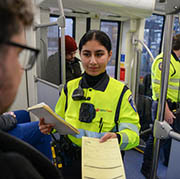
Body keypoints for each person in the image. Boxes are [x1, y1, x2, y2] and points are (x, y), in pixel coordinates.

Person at [39, 30, 140, 179]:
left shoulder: (121, 93)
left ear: (109, 55)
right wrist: (50, 127)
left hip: (103, 163)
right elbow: (59, 120)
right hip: (70, 160)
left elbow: (133, 135)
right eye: (86, 54)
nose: (92, 61)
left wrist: (118, 138)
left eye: (99, 54)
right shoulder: (69, 88)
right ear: (80, 54)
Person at [0, 0, 62, 178]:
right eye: (19, 55)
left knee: (23, 114)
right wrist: (8, 120)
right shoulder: (14, 170)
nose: (21, 69)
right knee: (41, 129)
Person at [141, 34, 180, 179]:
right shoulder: (165, 61)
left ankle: (169, 162)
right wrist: (166, 111)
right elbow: (158, 89)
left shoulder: (177, 61)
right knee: (157, 137)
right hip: (164, 105)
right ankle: (147, 169)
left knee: (172, 137)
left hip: (174, 105)